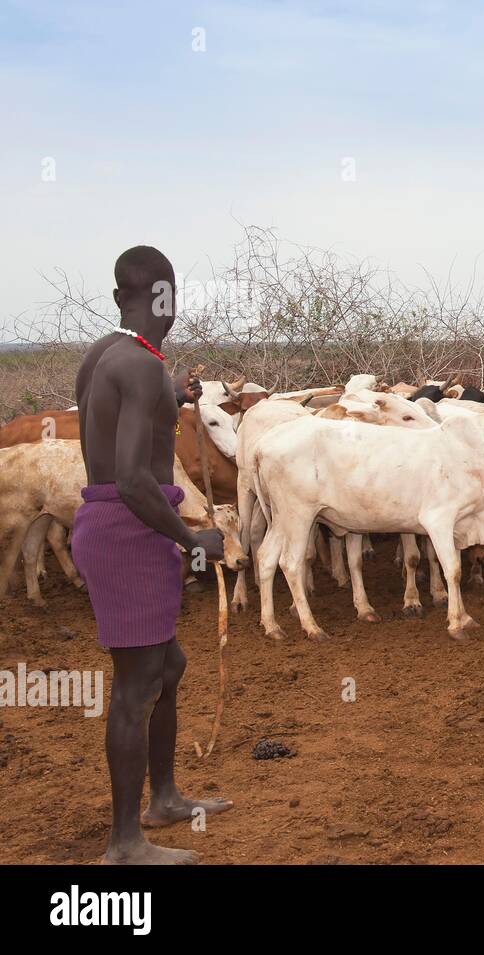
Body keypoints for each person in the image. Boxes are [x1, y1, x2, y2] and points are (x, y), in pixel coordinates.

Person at [70, 245, 233, 864]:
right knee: (137, 688)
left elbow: (124, 420)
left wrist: (176, 393)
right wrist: (192, 539)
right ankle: (124, 843)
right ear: (168, 297)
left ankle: (163, 797)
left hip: (119, 525)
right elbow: (135, 479)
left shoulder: (106, 356)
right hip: (128, 529)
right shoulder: (137, 367)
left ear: (119, 298)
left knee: (169, 668)